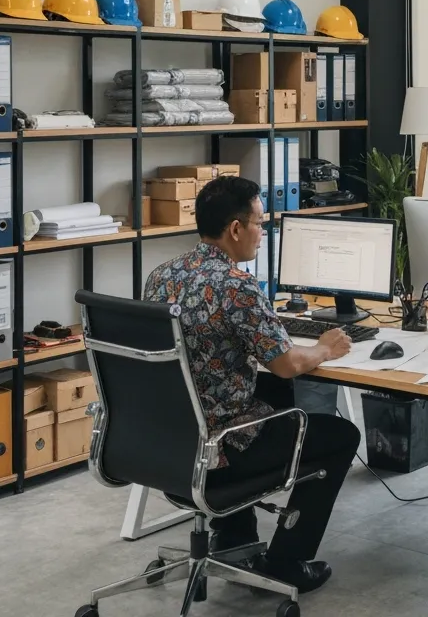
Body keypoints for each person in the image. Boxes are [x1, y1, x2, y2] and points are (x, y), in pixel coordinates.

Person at [142, 176, 360, 595]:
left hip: (168, 443)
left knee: (272, 397)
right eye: (261, 223)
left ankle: (235, 537)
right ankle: (286, 562)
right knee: (338, 435)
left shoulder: (161, 275)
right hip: (221, 448)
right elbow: (285, 364)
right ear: (236, 229)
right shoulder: (237, 286)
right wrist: (325, 348)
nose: (264, 233)